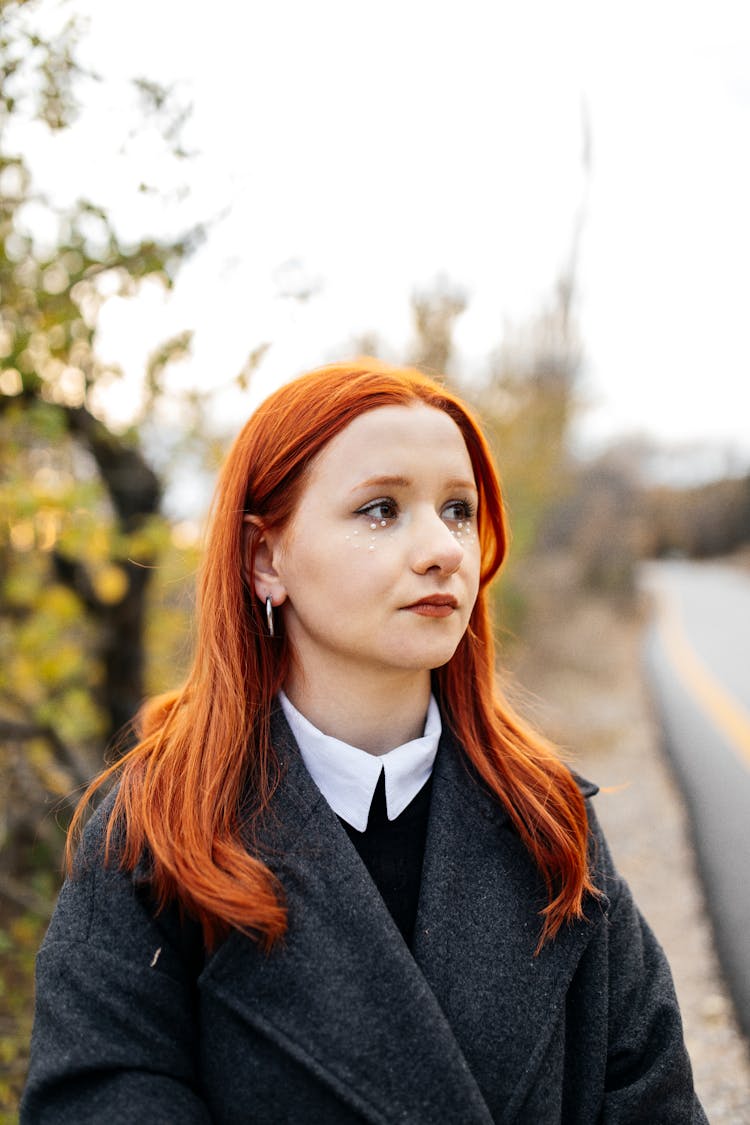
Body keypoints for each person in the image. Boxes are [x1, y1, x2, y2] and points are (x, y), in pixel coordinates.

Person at [22, 360, 706, 1124]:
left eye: (457, 509)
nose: (443, 549)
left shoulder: (548, 817)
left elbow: (651, 1096)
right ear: (264, 559)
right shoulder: (154, 829)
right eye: (381, 509)